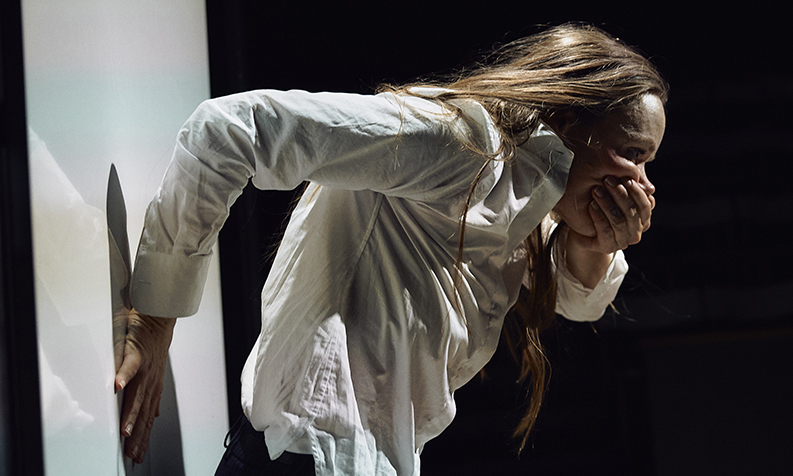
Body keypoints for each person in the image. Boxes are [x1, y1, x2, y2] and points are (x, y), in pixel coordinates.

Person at [114, 23, 667, 475]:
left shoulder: (525, 201)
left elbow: (579, 298)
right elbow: (230, 129)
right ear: (568, 120)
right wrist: (157, 316)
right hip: (310, 457)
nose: (642, 185)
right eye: (633, 153)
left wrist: (595, 242)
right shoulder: (459, 143)